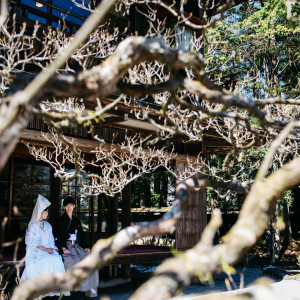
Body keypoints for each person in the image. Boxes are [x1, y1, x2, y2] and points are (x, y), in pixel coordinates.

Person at [20, 194, 70, 297]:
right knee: (45, 261)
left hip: (48, 249)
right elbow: (31, 242)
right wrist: (45, 249)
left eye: (47, 211)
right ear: (40, 212)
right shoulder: (32, 226)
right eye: (45, 211)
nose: (47, 213)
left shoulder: (48, 225)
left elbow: (51, 240)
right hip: (37, 250)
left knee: (57, 259)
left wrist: (51, 248)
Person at [53, 196, 99, 297]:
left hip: (77, 246)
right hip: (66, 246)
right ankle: (69, 287)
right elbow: (57, 236)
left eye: (71, 205)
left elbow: (81, 235)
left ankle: (90, 286)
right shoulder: (59, 221)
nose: (69, 207)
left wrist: (86, 247)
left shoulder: (76, 220)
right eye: (67, 205)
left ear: (74, 206)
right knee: (71, 262)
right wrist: (62, 248)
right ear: (64, 207)